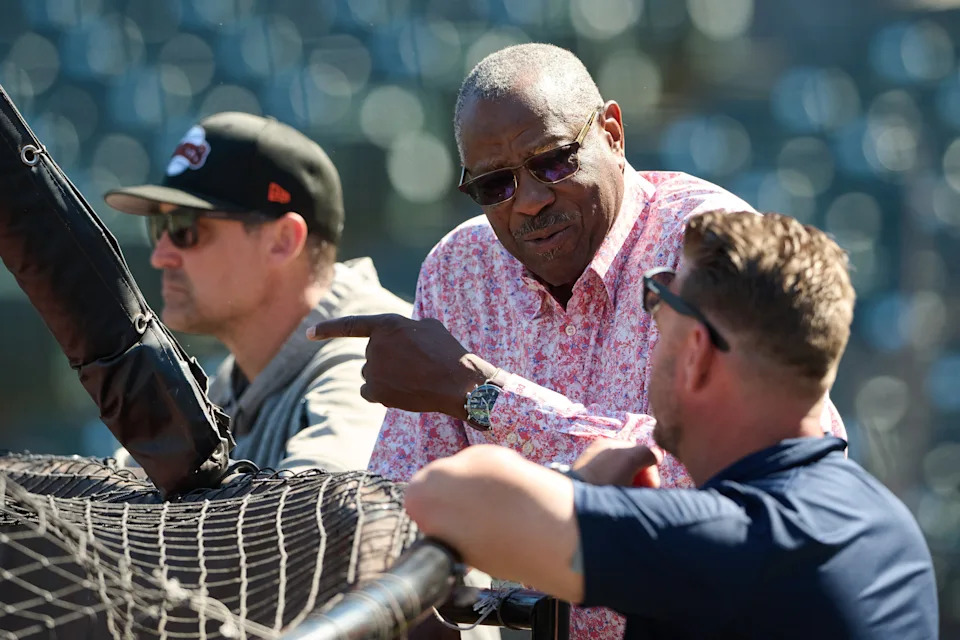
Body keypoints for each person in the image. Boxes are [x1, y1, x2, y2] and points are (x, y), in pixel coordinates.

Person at [307, 44, 847, 638]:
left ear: (612, 133)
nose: (530, 201)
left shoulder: (706, 249)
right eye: (495, 185)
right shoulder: (459, 269)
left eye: (553, 162)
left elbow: (735, 492)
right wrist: (402, 593)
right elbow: (402, 495)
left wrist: (483, 397)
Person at [403, 210, 939, 639]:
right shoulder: (887, 526)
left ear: (697, 353)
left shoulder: (722, 544)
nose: (651, 326)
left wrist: (581, 485)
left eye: (659, 304)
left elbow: (441, 498)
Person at [104, 112, 410, 472]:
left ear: (282, 241)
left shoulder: (372, 366)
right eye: (160, 226)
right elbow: (128, 476)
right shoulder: (233, 379)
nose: (160, 256)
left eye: (185, 227)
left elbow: (326, 504)